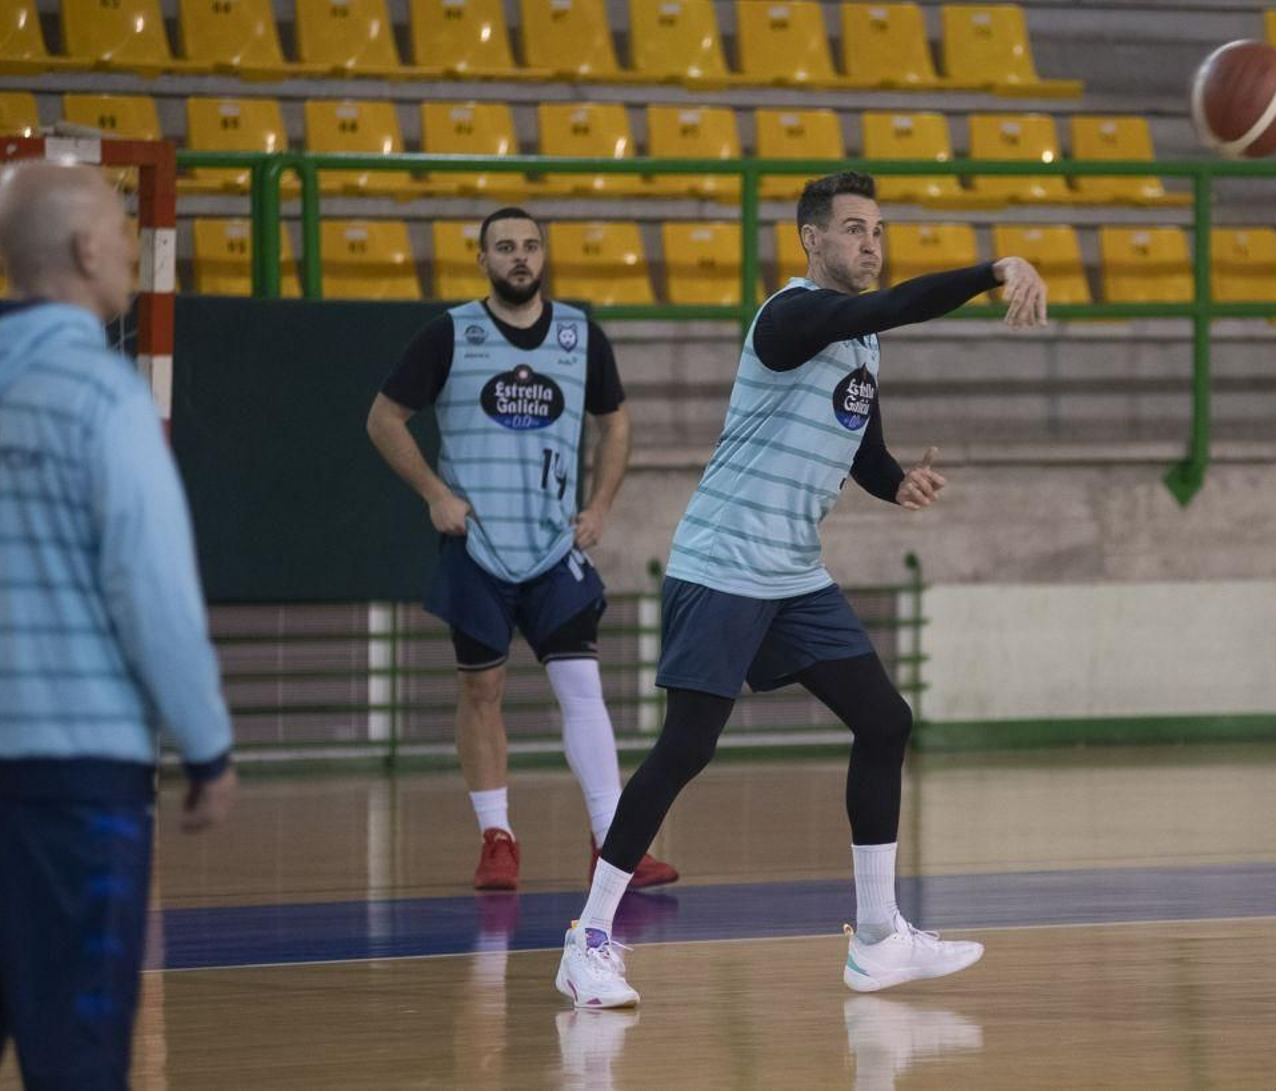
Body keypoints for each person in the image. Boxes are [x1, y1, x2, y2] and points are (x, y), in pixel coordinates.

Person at [555, 171, 1049, 1008]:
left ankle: (879, 937)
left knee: (885, 718)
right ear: (811, 240)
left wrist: (898, 485)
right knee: (687, 747)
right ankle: (589, 939)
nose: (871, 244)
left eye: (879, 230)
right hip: (723, 562)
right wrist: (989, 269)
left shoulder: (860, 345)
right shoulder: (790, 317)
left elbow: (863, 445)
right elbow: (876, 309)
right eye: (854, 229)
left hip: (791, 572)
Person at [0, 161, 238, 1089]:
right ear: (86, 249)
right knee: (77, 1039)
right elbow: (151, 587)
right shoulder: (102, 396)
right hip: (78, 769)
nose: (129, 245)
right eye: (121, 230)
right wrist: (205, 743)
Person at [367, 207, 677, 892]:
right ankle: (497, 836)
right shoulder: (449, 333)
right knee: (482, 687)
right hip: (476, 543)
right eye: (505, 247)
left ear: (544, 255)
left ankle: (614, 841)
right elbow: (383, 418)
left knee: (583, 687)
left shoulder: (579, 335)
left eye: (531, 246)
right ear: (483, 259)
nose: (520, 257)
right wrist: (431, 492)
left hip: (551, 546)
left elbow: (616, 423)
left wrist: (599, 506)